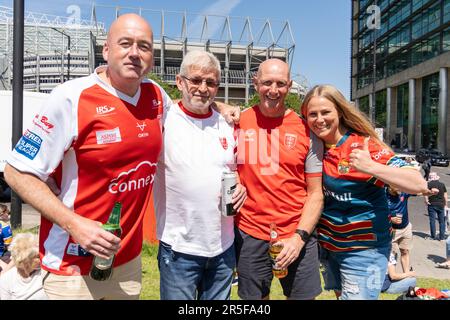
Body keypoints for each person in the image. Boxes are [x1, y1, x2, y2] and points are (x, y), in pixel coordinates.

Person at [4, 14, 173, 299]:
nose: (134, 53)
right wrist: (75, 224)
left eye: (144, 46)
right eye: (125, 43)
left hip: (128, 261)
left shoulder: (156, 95)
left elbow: (189, 113)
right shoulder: (71, 97)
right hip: (71, 265)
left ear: (152, 57)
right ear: (106, 50)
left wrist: (222, 106)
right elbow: (16, 172)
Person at [301, 84, 432, 300]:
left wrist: (371, 167)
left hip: (363, 251)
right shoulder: (314, 145)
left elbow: (417, 183)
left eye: (326, 112)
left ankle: (404, 282)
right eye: (312, 114)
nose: (319, 119)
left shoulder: (363, 145)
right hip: (330, 248)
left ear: (340, 113)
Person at [153, 50, 246, 300]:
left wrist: (241, 187)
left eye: (210, 82)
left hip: (223, 248)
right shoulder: (164, 119)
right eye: (195, 80)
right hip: (178, 247)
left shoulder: (228, 125)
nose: (203, 88)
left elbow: (237, 170)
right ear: (179, 82)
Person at [234, 58, 324, 300]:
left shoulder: (307, 130)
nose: (273, 90)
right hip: (250, 233)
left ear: (289, 85)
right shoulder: (237, 122)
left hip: (296, 233)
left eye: (280, 84)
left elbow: (316, 193)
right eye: (267, 82)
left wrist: (298, 238)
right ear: (255, 83)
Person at [0, 233, 48, 300]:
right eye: (37, 256)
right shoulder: (6, 280)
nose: (42, 258)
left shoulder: (46, 272)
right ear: (25, 261)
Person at [386, 186, 414, 272]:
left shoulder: (403, 192)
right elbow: (375, 214)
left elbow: (419, 191)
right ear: (390, 186)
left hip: (406, 228)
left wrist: (430, 191)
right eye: (397, 187)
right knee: (391, 254)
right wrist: (390, 219)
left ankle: (407, 276)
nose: (400, 190)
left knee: (405, 251)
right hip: (391, 230)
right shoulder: (382, 196)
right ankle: (391, 276)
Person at [425, 172, 448, 240]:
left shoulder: (428, 184)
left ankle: (433, 236)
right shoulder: (442, 184)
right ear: (436, 177)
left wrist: (426, 200)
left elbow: (425, 193)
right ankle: (442, 237)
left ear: (430, 178)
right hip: (441, 204)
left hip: (432, 204)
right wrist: (445, 204)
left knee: (432, 220)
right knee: (442, 221)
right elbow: (445, 195)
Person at [0, 204, 12, 269]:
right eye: (8, 213)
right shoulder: (5, 227)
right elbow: (8, 246)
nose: (9, 215)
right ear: (2, 214)